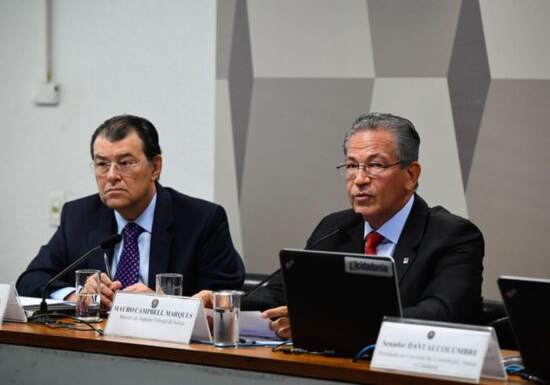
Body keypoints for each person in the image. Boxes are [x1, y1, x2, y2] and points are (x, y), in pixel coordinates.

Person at [239, 112, 484, 338]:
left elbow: (439, 313)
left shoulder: (453, 235)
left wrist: (329, 322)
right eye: (352, 165)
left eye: (376, 165)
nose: (359, 179)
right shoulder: (335, 227)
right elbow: (281, 292)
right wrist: (221, 304)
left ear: (410, 175)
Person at [17, 114, 245, 308]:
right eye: (102, 164)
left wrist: (163, 306)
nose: (112, 175)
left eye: (125, 163)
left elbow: (228, 294)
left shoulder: (201, 220)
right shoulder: (79, 216)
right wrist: (77, 295)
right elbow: (31, 280)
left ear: (155, 167)